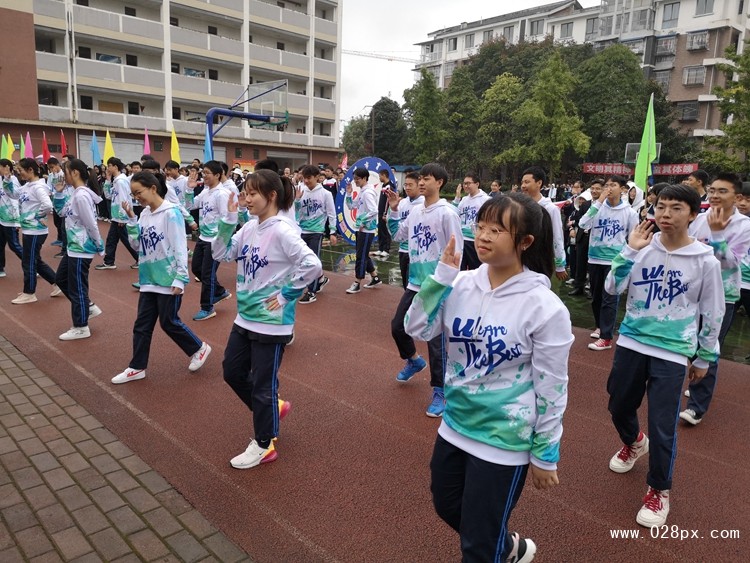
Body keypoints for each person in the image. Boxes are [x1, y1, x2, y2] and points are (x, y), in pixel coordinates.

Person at [405, 193, 573, 562]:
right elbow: (416, 326)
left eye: (496, 230)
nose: (482, 236)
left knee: (478, 547)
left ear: (525, 241)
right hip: (456, 425)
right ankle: (508, 547)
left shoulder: (545, 307)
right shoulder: (460, 283)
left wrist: (546, 454)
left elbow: (552, 386)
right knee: (447, 505)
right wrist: (440, 279)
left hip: (504, 440)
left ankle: (497, 548)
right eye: (480, 226)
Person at [604, 184, 723, 527]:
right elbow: (613, 288)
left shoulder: (705, 261)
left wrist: (704, 357)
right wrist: (628, 251)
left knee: (663, 424)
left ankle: (659, 490)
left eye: (675, 208)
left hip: (672, 351)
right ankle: (633, 441)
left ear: (693, 214)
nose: (666, 214)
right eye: (661, 207)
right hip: (631, 341)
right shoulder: (641, 246)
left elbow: (713, 312)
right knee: (618, 404)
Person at [212, 170, 322, 469]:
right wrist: (227, 221)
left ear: (271, 196)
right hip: (245, 317)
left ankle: (264, 443)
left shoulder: (283, 230)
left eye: (252, 194)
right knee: (232, 372)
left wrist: (286, 295)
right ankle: (273, 409)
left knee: (262, 386)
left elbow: (312, 265)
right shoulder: (249, 228)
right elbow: (221, 253)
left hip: (272, 323)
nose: (246, 199)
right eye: (244, 193)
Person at [111, 171, 211, 384]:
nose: (136, 197)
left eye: (139, 192)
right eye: (133, 194)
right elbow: (138, 246)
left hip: (168, 278)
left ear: (153, 188)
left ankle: (199, 348)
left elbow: (180, 247)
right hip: (148, 279)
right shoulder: (145, 214)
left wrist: (180, 278)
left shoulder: (171, 212)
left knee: (169, 322)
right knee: (142, 324)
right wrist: (131, 219)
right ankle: (137, 367)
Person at [386, 163, 463, 417]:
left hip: (437, 285)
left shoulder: (447, 213)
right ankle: (413, 360)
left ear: (439, 182)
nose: (420, 183)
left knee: (436, 341)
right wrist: (394, 210)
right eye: (419, 179)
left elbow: (457, 253)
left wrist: (448, 282)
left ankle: (440, 391)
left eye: (426, 179)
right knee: (399, 326)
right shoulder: (416, 210)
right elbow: (398, 235)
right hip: (416, 282)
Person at [681, 172, 750, 425]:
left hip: (724, 295)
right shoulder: (699, 219)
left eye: (722, 191)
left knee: (709, 348)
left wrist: (719, 234)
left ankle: (697, 407)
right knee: (690, 344)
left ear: (737, 197)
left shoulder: (744, 226)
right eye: (712, 191)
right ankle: (697, 375)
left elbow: (731, 262)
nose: (715, 195)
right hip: (692, 292)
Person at [578, 175, 639, 351]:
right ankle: (600, 326)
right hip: (595, 257)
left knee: (610, 298)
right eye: (607, 185)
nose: (609, 188)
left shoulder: (629, 212)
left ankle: (606, 337)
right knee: (596, 297)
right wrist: (598, 203)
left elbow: (633, 237)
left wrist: (630, 261)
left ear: (623, 189)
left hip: (615, 261)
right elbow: (583, 224)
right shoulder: (596, 208)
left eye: (613, 185)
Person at [55, 159, 105, 340]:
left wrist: (99, 245)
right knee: (60, 278)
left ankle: (81, 326)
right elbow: (61, 213)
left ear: (75, 172)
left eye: (65, 171)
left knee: (77, 288)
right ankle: (87, 307)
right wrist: (59, 194)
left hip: (81, 248)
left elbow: (91, 223)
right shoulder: (75, 194)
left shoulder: (82, 195)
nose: (63, 175)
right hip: (73, 247)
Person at [8, 158, 60, 304]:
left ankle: (29, 292)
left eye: (21, 171)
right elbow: (13, 194)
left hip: (35, 230)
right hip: (30, 230)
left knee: (28, 261)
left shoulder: (38, 187)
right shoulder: (27, 186)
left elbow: (48, 205)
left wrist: (36, 216)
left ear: (31, 170)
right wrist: (6, 179)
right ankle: (57, 283)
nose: (19, 174)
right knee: (35, 260)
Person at [186, 160, 232, 321]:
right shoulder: (206, 192)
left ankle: (207, 307)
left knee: (207, 274)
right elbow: (190, 205)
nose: (203, 175)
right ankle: (219, 292)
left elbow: (228, 218)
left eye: (207, 173)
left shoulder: (222, 194)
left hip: (215, 241)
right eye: (203, 172)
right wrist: (189, 189)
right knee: (197, 269)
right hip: (203, 238)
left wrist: (221, 241)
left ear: (218, 175)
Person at [295, 164, 337, 304]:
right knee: (302, 260)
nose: (306, 181)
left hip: (317, 232)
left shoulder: (326, 194)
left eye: (309, 178)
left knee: (312, 261)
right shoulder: (301, 191)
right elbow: (295, 212)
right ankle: (320, 279)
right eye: (304, 178)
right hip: (302, 231)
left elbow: (331, 213)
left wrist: (332, 232)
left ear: (317, 177)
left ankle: (311, 292)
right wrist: (296, 200)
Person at [519, 167, 568, 281]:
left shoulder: (550, 209)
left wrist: (560, 265)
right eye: (522, 182)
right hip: (521, 255)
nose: (523, 186)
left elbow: (557, 236)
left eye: (527, 182)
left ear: (539, 183)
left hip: (541, 257)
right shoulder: (519, 207)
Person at [96, 157, 139, 270]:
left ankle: (140, 258)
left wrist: (122, 217)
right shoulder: (116, 181)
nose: (107, 168)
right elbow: (109, 196)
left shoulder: (121, 181)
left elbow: (124, 199)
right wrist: (108, 180)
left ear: (115, 167)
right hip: (116, 216)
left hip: (121, 217)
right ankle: (109, 261)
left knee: (126, 239)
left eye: (109, 165)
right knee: (112, 239)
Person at [344, 168, 382, 293]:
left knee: (361, 256)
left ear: (365, 178)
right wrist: (349, 193)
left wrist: (362, 221)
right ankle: (375, 277)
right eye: (354, 179)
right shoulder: (362, 191)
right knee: (364, 254)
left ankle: (357, 282)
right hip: (361, 229)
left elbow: (374, 210)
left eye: (357, 179)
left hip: (366, 230)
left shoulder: (368, 193)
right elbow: (351, 206)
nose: (355, 181)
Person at [392, 171, 424, 289]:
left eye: (410, 185)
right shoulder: (402, 202)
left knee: (414, 285)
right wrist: (393, 211)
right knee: (406, 284)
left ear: (418, 186)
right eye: (405, 185)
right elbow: (396, 229)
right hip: (403, 249)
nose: (407, 188)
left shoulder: (424, 203)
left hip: (417, 252)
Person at [452, 173, 491, 270]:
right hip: (462, 240)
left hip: (475, 240)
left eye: (468, 183)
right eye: (464, 183)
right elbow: (454, 213)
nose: (465, 186)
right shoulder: (464, 200)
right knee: (460, 269)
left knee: (476, 269)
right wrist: (457, 197)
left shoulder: (486, 200)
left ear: (477, 184)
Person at [0, 159, 23, 277]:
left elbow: (15, 200)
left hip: (11, 219)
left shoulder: (13, 180)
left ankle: (33, 265)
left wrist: (17, 220)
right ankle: (1, 268)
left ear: (6, 167)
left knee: (14, 245)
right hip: (1, 218)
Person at [374, 169, 393, 257]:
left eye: (380, 176)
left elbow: (388, 201)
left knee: (386, 231)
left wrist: (385, 213)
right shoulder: (383, 186)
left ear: (384, 175)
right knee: (380, 230)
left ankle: (386, 249)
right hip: (380, 211)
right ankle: (380, 248)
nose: (379, 178)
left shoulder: (389, 186)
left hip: (385, 213)